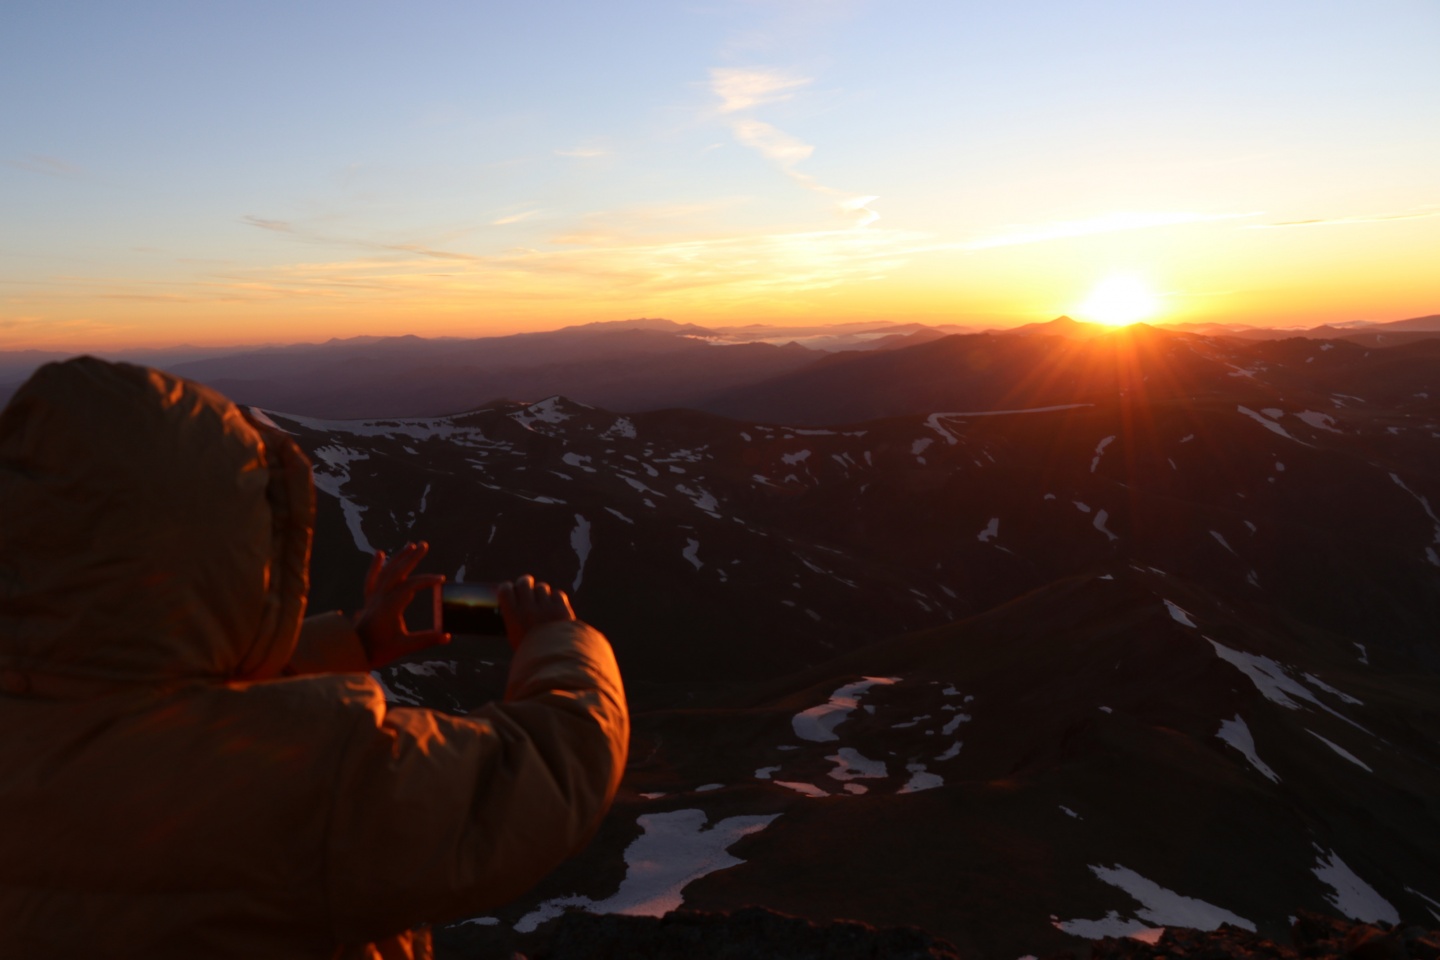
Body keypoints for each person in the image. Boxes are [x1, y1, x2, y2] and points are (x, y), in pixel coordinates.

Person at [0, 356, 628, 958]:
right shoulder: (314, 772)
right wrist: (557, 641)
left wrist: (347, 643)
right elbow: (549, 773)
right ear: (221, 558)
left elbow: (125, 689)